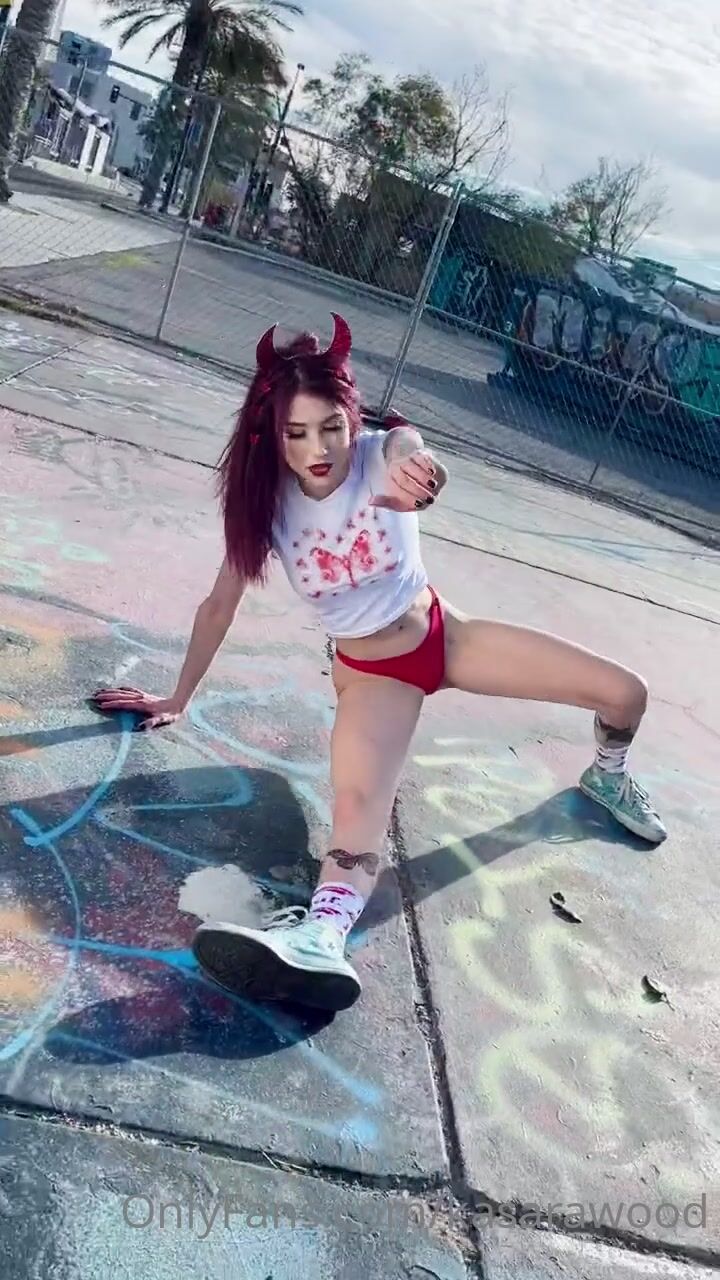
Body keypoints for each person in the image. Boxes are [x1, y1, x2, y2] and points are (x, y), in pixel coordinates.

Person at [92, 314, 666, 1014]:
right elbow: (219, 606)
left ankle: (607, 777)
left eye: (331, 427)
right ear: (271, 435)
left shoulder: (378, 451)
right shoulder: (265, 508)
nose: (319, 449)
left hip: (446, 637)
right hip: (375, 676)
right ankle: (319, 937)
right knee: (359, 814)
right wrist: (177, 697)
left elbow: (413, 451)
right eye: (296, 434)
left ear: (350, 417)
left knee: (626, 693)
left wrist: (420, 472)